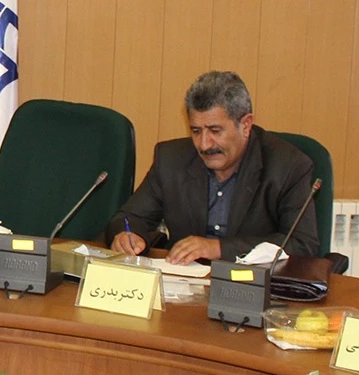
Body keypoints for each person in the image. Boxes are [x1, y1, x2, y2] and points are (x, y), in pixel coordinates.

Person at [108, 71, 322, 265]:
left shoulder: (288, 166)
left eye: (215, 131)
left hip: (251, 286)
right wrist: (127, 235)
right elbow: (129, 218)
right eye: (196, 131)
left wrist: (218, 248)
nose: (204, 144)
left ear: (245, 125)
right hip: (183, 282)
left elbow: (302, 244)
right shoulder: (171, 160)